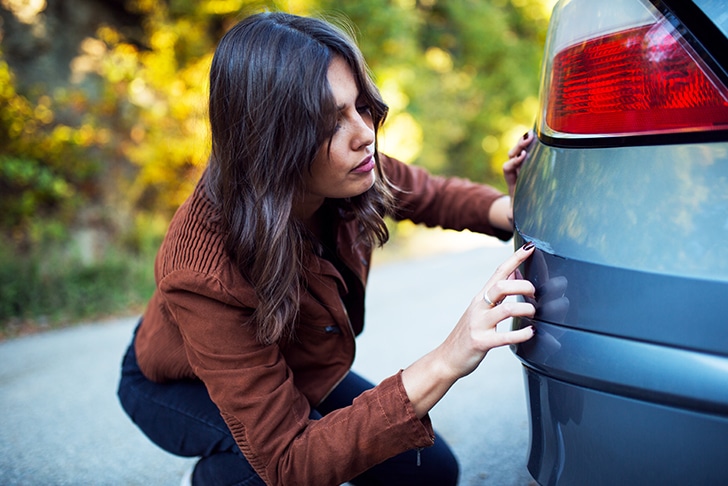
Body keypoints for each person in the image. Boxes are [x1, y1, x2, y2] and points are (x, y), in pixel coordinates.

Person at [117, 11, 537, 486]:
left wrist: (514, 207)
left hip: (296, 367)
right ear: (272, 141)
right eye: (329, 121)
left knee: (430, 473)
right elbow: (288, 460)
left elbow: (430, 193)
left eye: (361, 107)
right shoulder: (202, 271)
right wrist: (446, 359)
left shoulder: (349, 167)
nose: (364, 133)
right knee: (264, 471)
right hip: (178, 385)